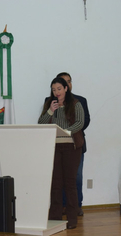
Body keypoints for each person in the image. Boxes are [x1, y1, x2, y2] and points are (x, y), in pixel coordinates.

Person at [38, 77, 85, 229]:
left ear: (66, 88)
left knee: (70, 183)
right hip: (54, 147)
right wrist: (50, 111)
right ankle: (55, 218)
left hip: (71, 147)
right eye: (53, 90)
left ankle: (72, 219)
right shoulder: (50, 104)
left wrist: (66, 132)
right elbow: (41, 123)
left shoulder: (75, 104)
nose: (56, 92)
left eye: (59, 89)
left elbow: (80, 122)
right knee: (56, 184)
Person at [57, 72, 90, 216]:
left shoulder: (80, 101)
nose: (68, 84)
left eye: (69, 81)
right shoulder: (51, 101)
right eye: (64, 82)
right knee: (60, 177)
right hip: (57, 145)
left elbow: (85, 121)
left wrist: (68, 130)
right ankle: (62, 206)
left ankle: (76, 206)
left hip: (76, 144)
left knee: (76, 177)